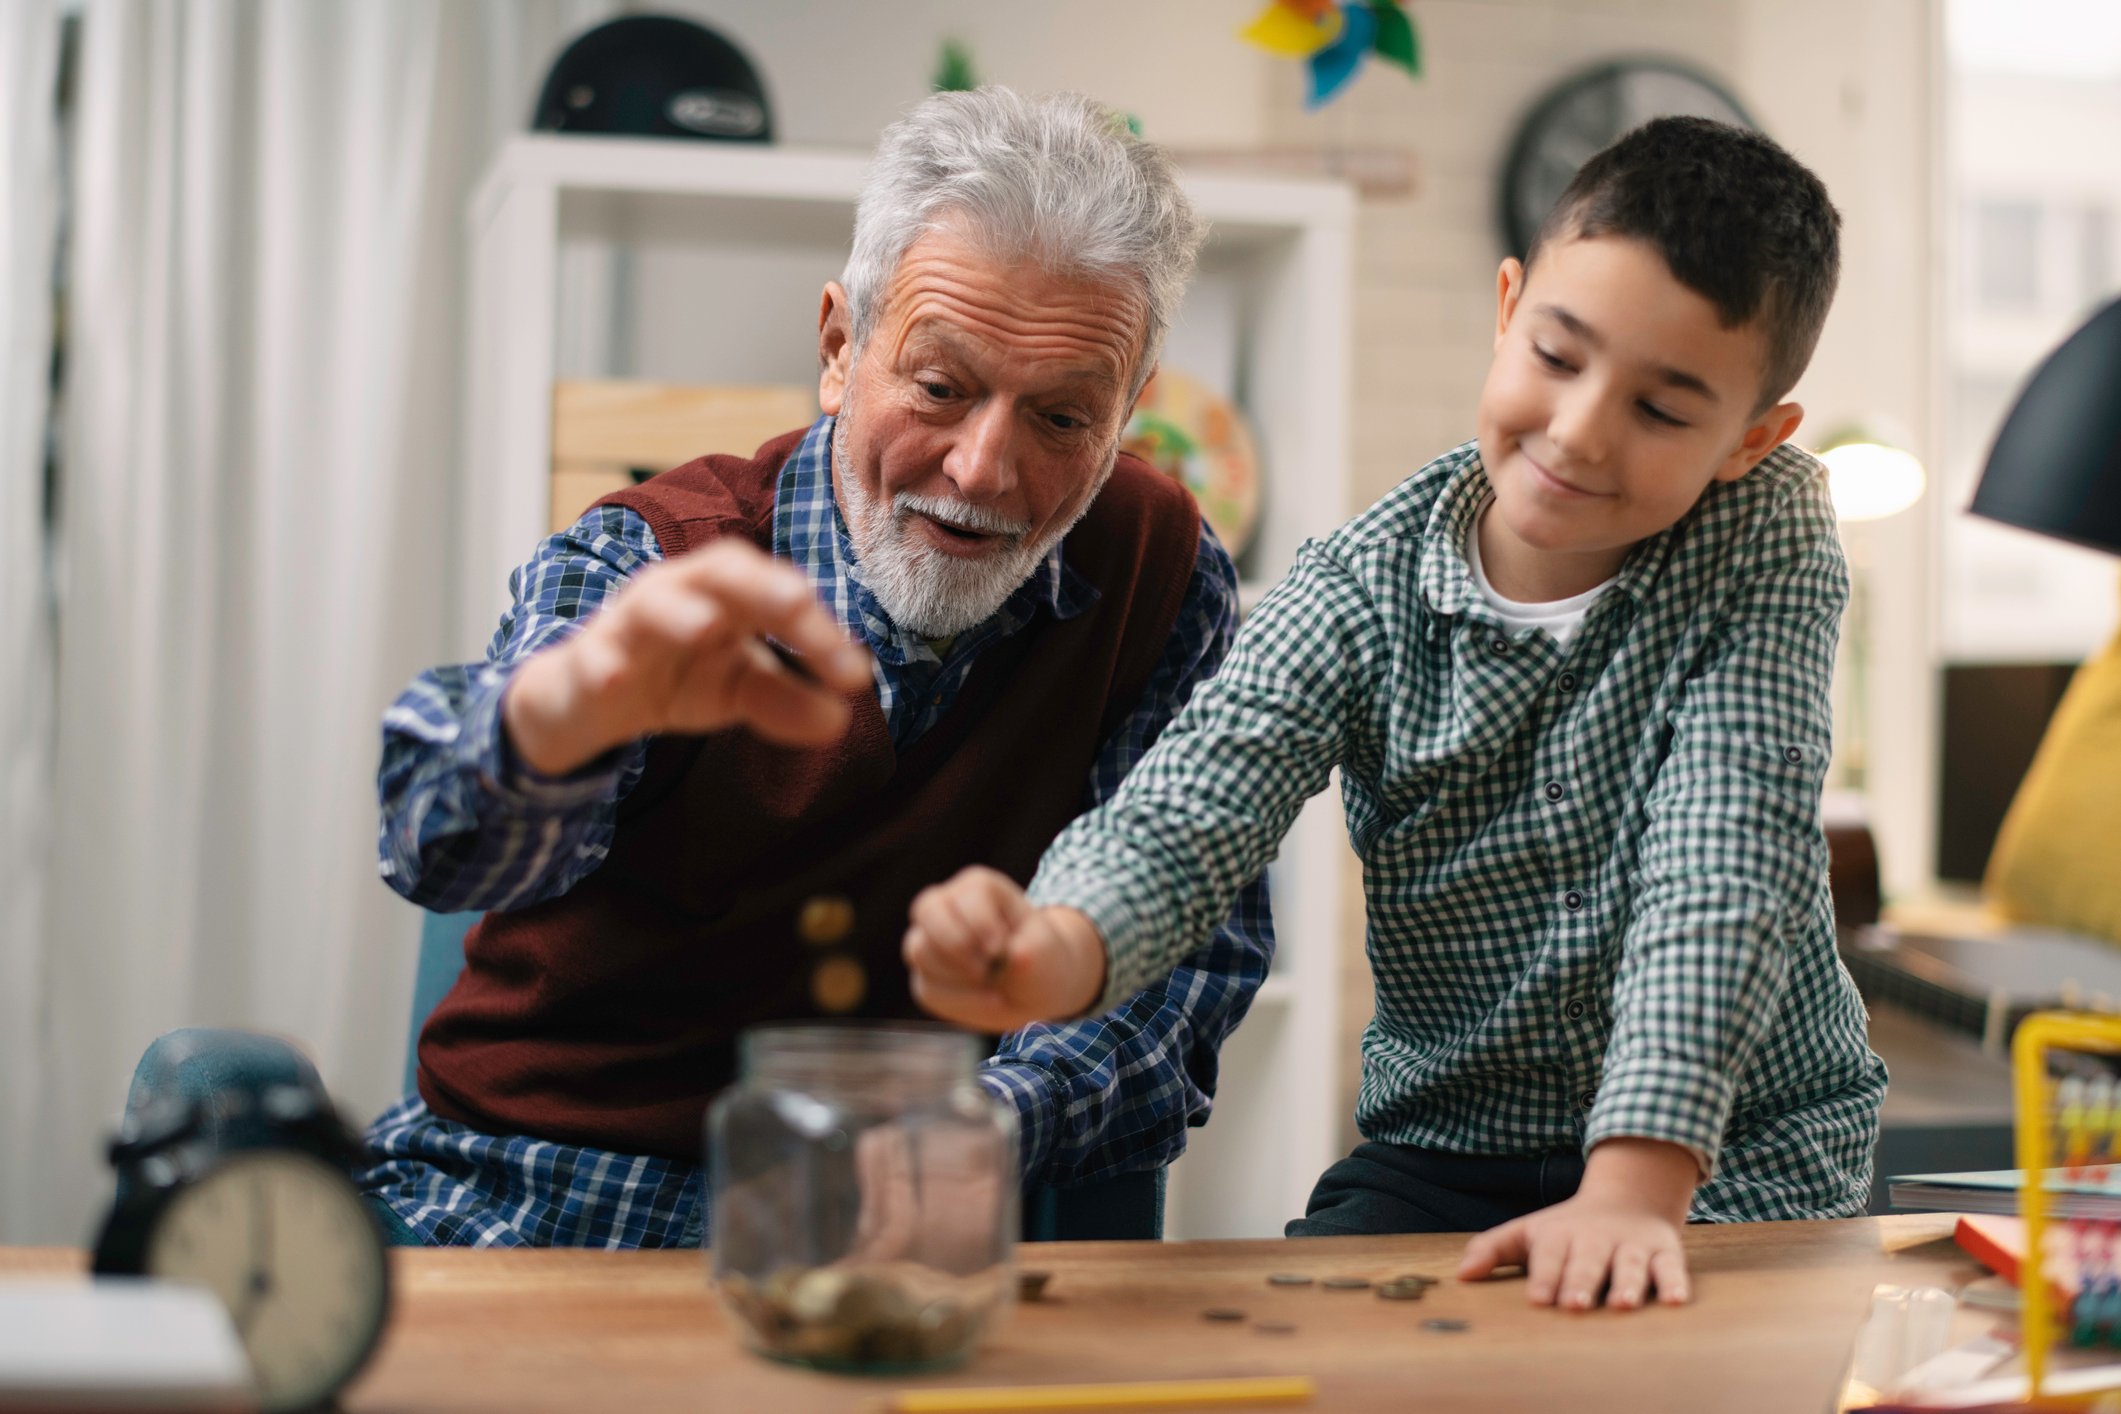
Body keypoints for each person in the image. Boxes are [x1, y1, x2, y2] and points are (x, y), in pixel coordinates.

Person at [904, 116, 1888, 1310]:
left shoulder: (1768, 532)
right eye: (1560, 358)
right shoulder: (1361, 585)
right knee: (1316, 1335)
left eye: (1664, 411)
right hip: (1452, 1148)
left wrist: (1635, 1182)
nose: (1578, 432)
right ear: (1508, 305)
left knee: (1669, 1365)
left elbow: (1724, 857)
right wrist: (1052, 949)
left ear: (1753, 440)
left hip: (1736, 1144)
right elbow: (1192, 805)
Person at [357, 86, 1274, 1247]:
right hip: (536, 1191)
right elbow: (432, 845)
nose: (984, 467)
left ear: (1128, 412)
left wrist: (974, 1125)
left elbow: (1186, 954)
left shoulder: (1162, 570)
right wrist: (560, 717)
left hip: (889, 1228)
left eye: (1060, 419)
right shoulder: (659, 554)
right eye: (940, 387)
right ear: (841, 348)